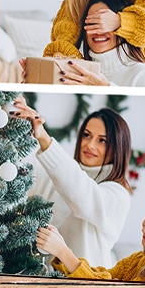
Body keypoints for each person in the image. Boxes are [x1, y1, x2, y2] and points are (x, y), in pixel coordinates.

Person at [11, 97, 132, 267]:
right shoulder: (59, 174)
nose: (90, 145)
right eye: (87, 135)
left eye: (102, 140)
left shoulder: (118, 195)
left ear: (118, 147)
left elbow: (81, 195)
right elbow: (27, 167)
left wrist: (44, 138)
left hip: (87, 285)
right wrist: (23, 125)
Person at [36, 192, 145, 285]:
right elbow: (104, 276)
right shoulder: (143, 257)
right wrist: (61, 251)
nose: (144, 228)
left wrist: (64, 252)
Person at [31, 0, 145, 88]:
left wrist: (105, 87)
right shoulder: (75, 71)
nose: (97, 31)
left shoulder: (144, 75)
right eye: (91, 23)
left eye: (104, 23)